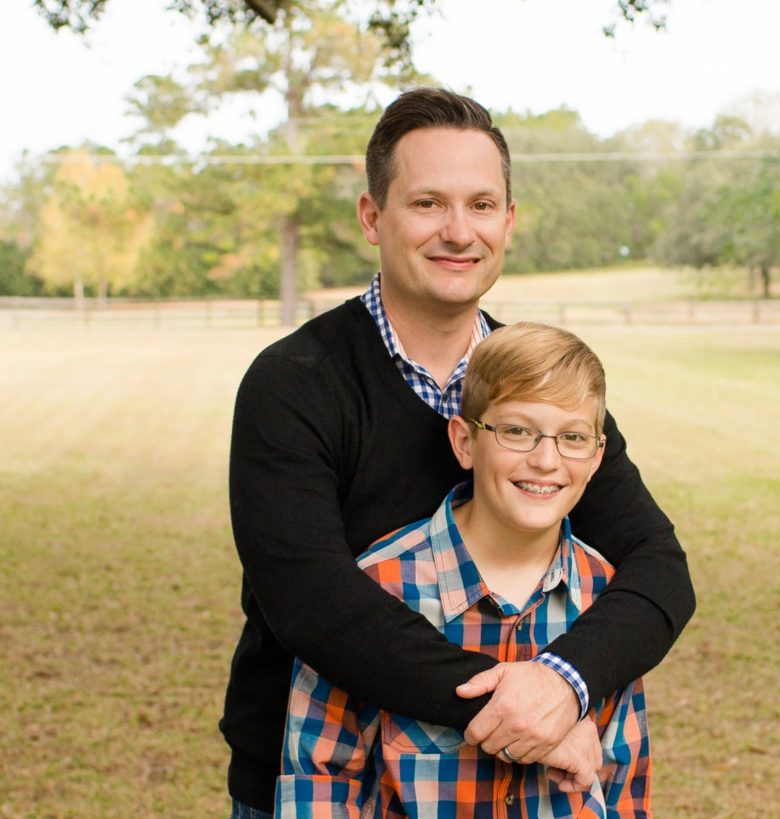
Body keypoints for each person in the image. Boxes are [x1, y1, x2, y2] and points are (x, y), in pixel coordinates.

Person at [223, 87, 695, 817]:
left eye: (481, 205)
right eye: (427, 204)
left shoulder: (536, 389)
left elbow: (659, 569)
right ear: (372, 216)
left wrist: (563, 682)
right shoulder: (294, 385)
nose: (457, 230)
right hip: (331, 780)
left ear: (508, 221)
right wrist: (519, 704)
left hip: (530, 796)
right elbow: (314, 604)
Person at [276, 322, 650, 817]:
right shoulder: (377, 588)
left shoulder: (608, 604)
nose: (545, 459)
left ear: (598, 455)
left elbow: (622, 785)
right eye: (516, 431)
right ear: (465, 442)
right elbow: (318, 782)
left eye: (573, 437)